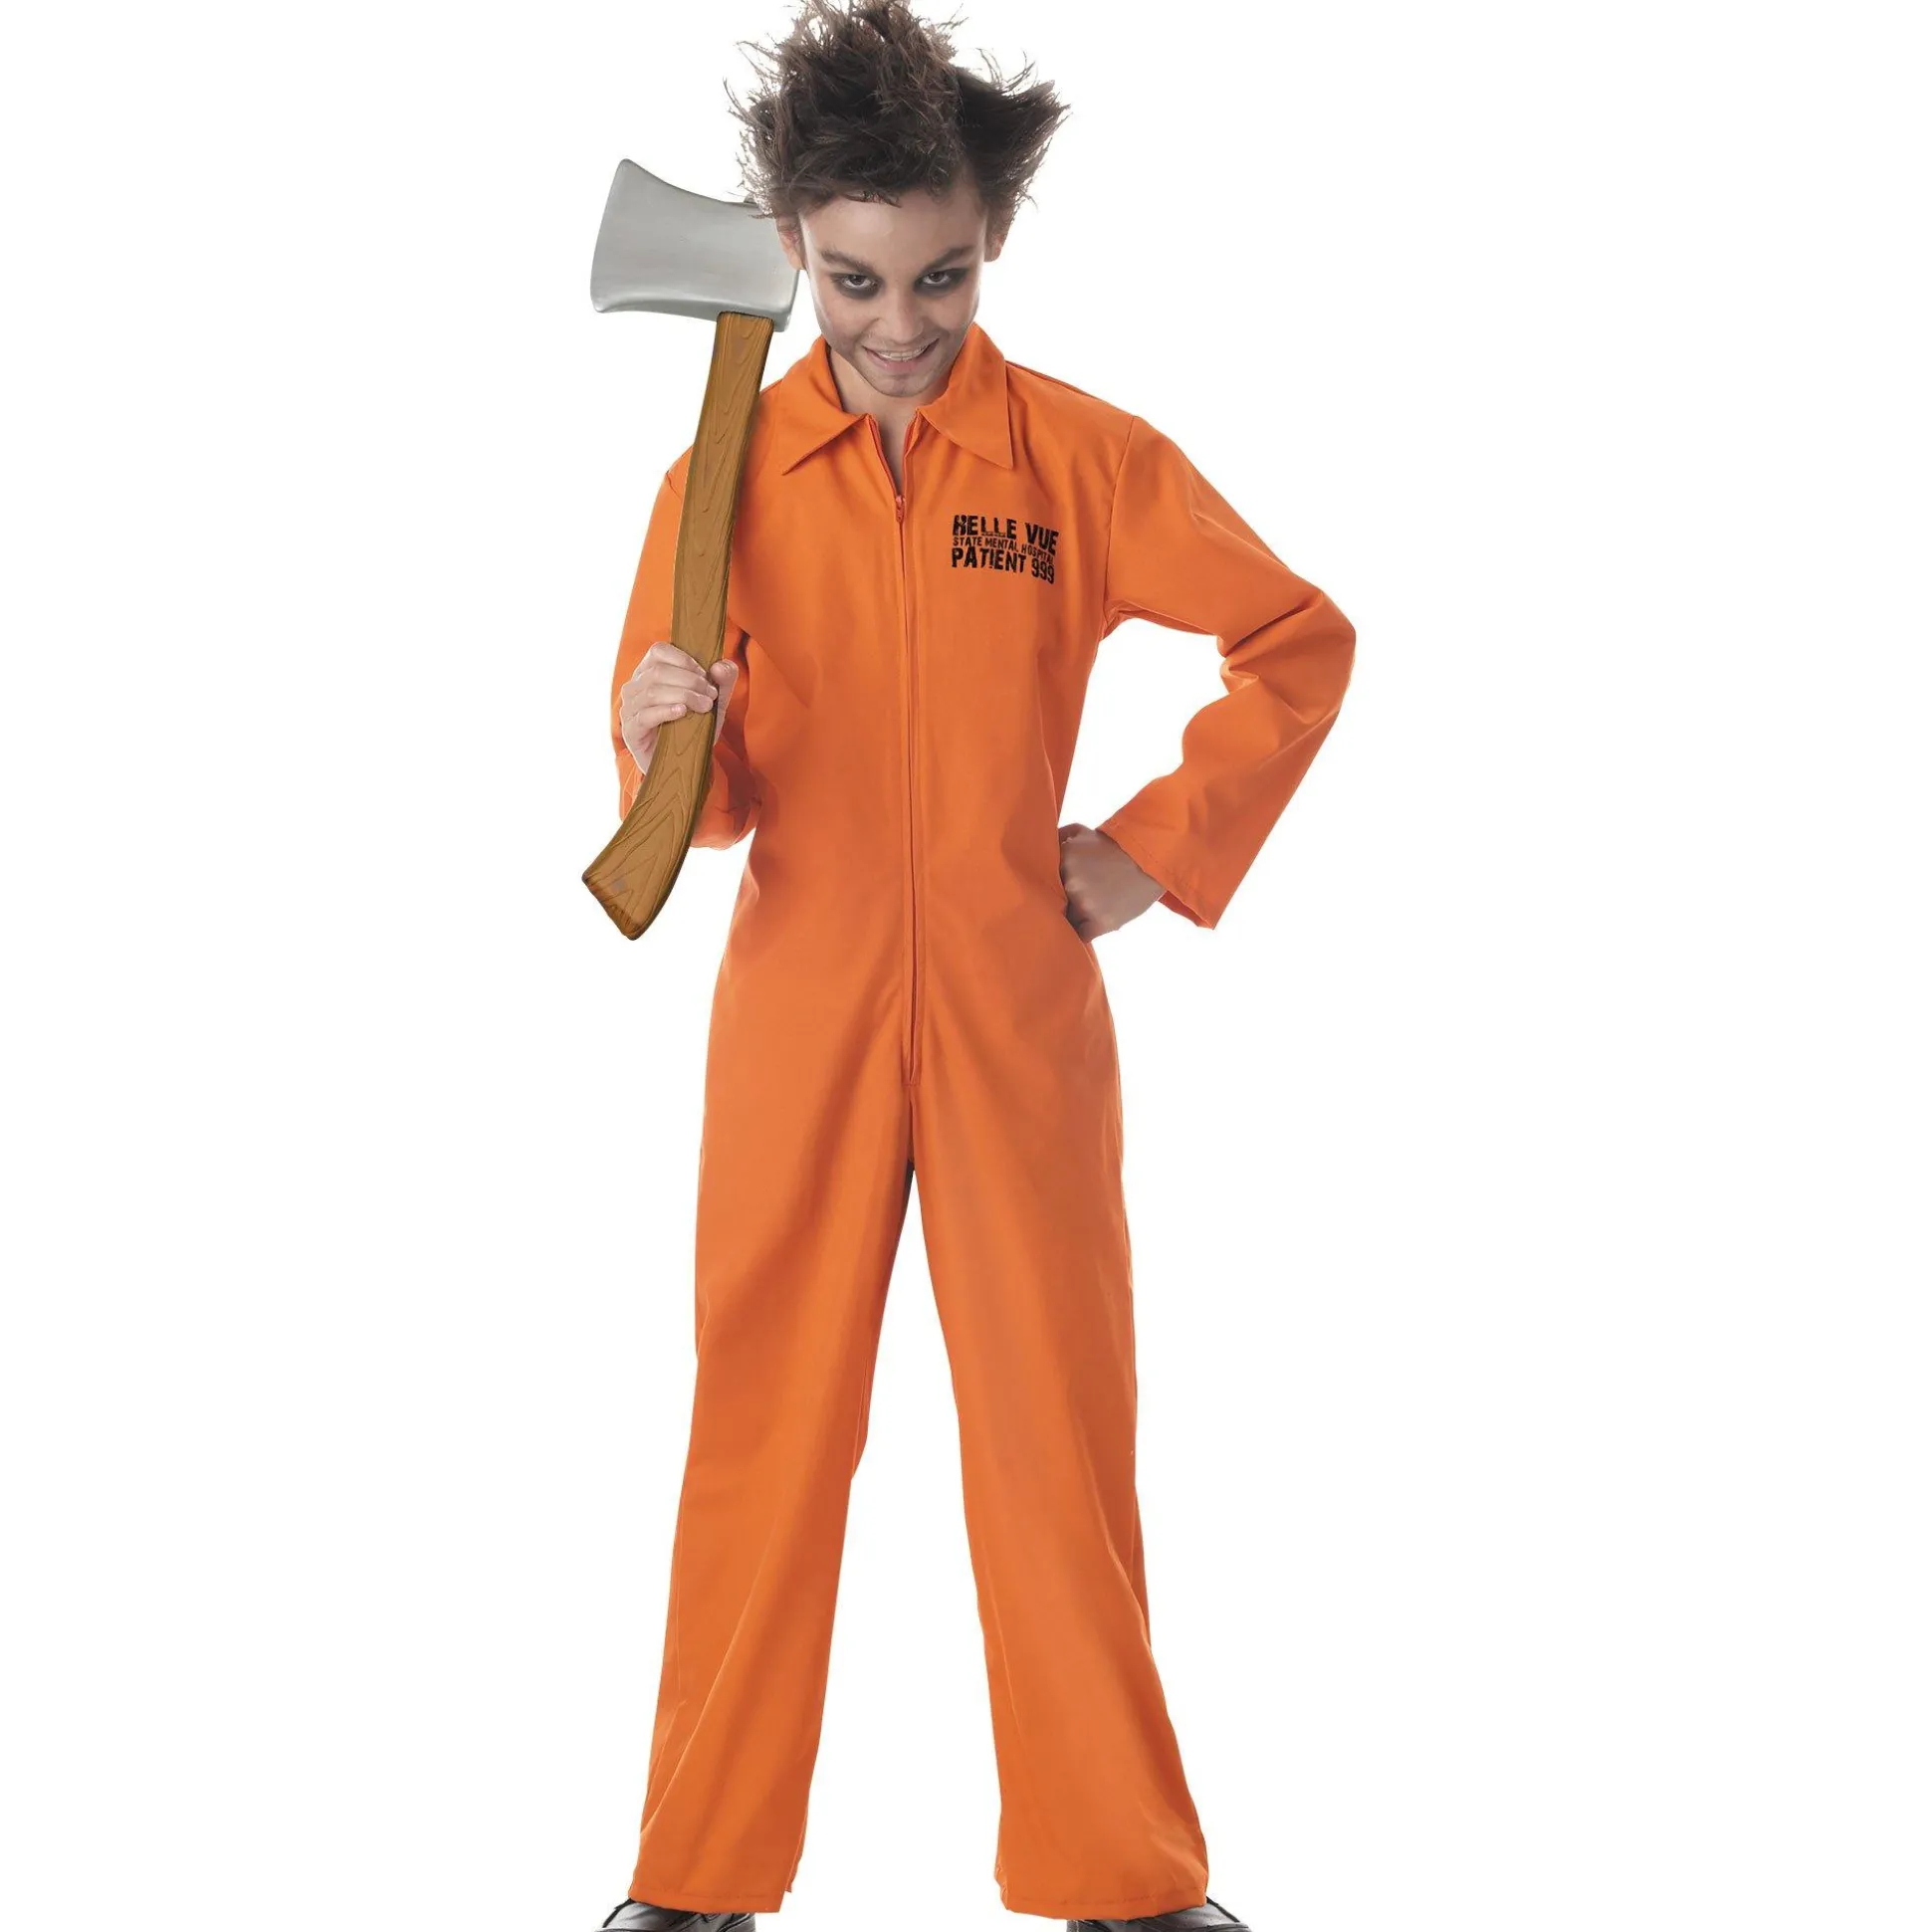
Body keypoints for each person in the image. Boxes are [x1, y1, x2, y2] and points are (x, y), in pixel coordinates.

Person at [593, 4, 1355, 1928]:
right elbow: (705, 818)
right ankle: (693, 1877)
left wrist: (1154, 850)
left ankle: (1126, 1875)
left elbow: (1295, 639)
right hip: (801, 1005)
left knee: (1054, 1432)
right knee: (766, 1427)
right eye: (855, 280)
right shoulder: (721, 481)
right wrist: (661, 726)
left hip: (1022, 1006)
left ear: (989, 239)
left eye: (941, 275)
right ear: (791, 246)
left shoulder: (1079, 461)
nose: (901, 322)